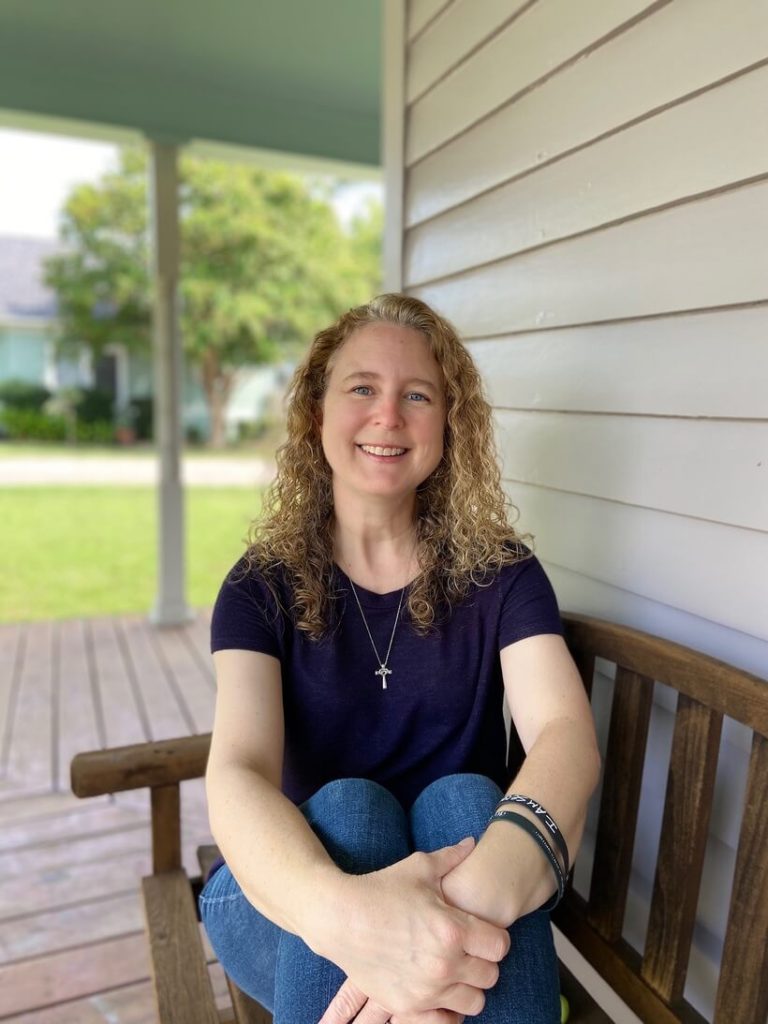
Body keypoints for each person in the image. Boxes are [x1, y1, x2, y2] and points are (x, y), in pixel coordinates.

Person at [199, 294, 601, 1024]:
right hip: (292, 898)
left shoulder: (501, 575)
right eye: (362, 389)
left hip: (472, 903)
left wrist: (439, 931)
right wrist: (357, 923)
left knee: (470, 803)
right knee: (350, 809)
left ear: (449, 424)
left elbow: (563, 734)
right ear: (315, 413)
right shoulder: (259, 587)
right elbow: (238, 771)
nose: (388, 415)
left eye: (417, 395)